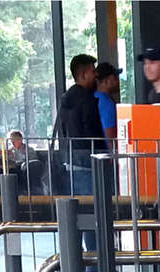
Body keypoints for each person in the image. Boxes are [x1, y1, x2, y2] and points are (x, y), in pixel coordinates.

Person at [55, 54, 103, 255]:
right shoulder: (88, 99)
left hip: (70, 164)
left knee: (76, 215)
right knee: (92, 214)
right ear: (83, 74)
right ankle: (95, 259)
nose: (96, 75)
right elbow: (93, 131)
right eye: (93, 71)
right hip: (87, 163)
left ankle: (73, 260)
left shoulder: (66, 99)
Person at [94, 61, 120, 141]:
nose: (118, 82)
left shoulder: (93, 97)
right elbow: (111, 138)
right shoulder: (107, 103)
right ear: (106, 81)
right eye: (115, 78)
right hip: (105, 151)